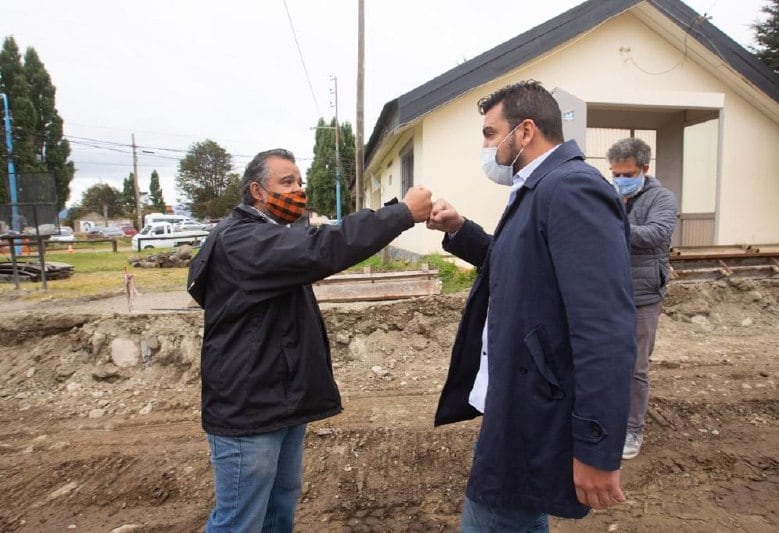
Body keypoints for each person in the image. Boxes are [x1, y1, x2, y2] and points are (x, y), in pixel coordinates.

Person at [426, 80, 637, 530]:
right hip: (516, 402)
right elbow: (520, 266)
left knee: (495, 514)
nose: (485, 146)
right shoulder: (537, 186)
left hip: (533, 408)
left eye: (489, 133)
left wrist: (596, 448)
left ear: (524, 132)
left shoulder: (571, 189)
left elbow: (604, 330)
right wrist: (460, 228)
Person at [191, 148, 432, 532]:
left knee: (277, 510)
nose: (299, 190)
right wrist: (400, 213)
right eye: (287, 182)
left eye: (299, 182)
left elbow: (317, 243)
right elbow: (322, 248)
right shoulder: (242, 240)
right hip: (249, 408)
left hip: (279, 400)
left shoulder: (268, 236)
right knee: (237, 521)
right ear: (257, 191)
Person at [607, 137, 678, 460]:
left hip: (644, 295)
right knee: (605, 363)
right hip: (608, 294)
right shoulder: (609, 196)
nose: (620, 180)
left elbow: (656, 235)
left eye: (627, 174)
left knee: (636, 367)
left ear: (644, 169)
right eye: (615, 174)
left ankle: (633, 429)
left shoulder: (662, 199)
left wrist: (611, 226)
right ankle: (608, 420)